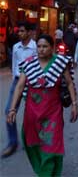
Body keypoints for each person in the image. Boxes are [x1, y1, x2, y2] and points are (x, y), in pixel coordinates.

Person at [6, 34, 78, 177]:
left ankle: (47, 173)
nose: (41, 49)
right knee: (32, 141)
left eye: (45, 46)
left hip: (53, 113)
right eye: (39, 46)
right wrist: (12, 108)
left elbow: (69, 83)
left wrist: (75, 104)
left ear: (52, 48)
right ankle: (43, 171)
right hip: (32, 112)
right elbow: (19, 87)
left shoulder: (60, 62)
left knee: (52, 143)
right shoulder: (28, 64)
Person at [1, 21, 37, 158]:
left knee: (32, 113)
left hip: (31, 82)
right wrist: (14, 78)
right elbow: (15, 64)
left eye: (22, 31)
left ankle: (31, 140)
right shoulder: (16, 47)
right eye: (19, 31)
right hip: (17, 82)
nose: (20, 34)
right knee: (9, 111)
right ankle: (12, 142)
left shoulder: (36, 47)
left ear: (29, 32)